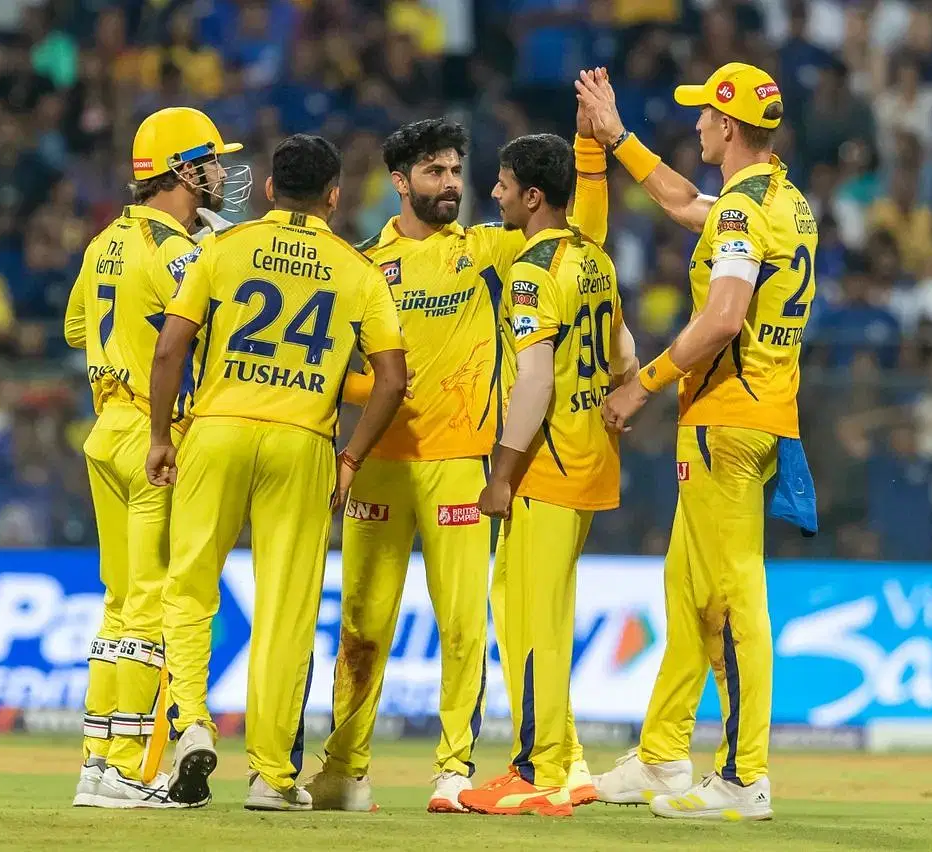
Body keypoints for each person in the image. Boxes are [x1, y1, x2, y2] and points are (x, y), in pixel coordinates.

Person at [308, 107, 609, 813]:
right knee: (362, 622)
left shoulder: (484, 248)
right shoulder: (362, 266)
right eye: (434, 172)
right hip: (380, 462)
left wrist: (590, 153)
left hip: (460, 467)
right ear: (399, 182)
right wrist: (378, 395)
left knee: (465, 626)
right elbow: (336, 372)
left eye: (454, 171)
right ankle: (344, 770)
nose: (450, 184)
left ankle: (453, 769)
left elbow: (577, 234)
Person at [579, 62, 818, 821]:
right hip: (755, 412)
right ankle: (663, 757)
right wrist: (618, 140)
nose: (697, 126)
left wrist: (640, 384)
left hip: (727, 416)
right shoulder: (782, 200)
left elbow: (721, 318)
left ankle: (745, 778)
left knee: (733, 593)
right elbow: (686, 203)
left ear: (729, 126)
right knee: (688, 592)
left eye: (704, 117)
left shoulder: (745, 214)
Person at [148, 134, 407, 811]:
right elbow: (392, 379)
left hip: (217, 429)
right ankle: (269, 775)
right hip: (302, 438)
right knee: (286, 609)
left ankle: (193, 722)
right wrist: (351, 456)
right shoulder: (358, 269)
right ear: (333, 196)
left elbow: (171, 346)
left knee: (190, 585)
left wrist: (158, 433)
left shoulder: (221, 249)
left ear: (267, 189)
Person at [63, 106, 249, 809]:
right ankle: (127, 773)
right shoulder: (181, 252)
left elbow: (78, 325)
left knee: (117, 605)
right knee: (150, 606)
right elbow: (222, 330)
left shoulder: (103, 241)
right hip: (155, 437)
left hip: (106, 428)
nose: (221, 173)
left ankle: (97, 761)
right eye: (211, 161)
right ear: (181, 171)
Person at [455, 134, 636, 817]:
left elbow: (532, 382)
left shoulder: (531, 271)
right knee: (550, 617)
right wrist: (619, 396)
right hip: (588, 457)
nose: (494, 194)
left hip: (545, 466)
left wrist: (501, 473)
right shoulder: (594, 259)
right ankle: (569, 763)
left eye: (503, 185)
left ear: (533, 196)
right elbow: (624, 350)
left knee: (530, 622)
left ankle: (533, 768)